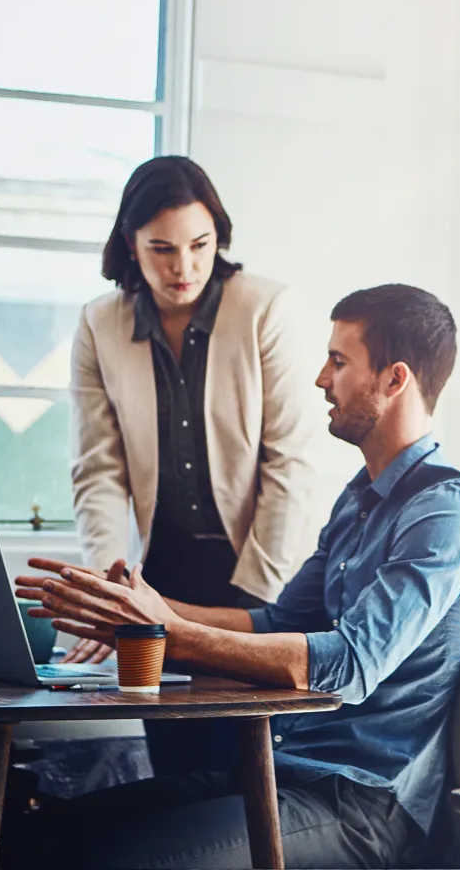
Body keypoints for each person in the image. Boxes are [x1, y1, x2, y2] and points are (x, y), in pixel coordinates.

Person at [16, 284, 460, 870]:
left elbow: (351, 665)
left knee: (118, 859)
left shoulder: (444, 513)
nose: (322, 378)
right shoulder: (359, 500)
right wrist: (135, 603)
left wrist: (166, 632)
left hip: (367, 804)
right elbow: (275, 622)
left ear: (394, 380)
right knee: (54, 833)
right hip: (281, 774)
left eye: (339, 361)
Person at [69, 156, 321, 639]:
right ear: (131, 245)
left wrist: (257, 601)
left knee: (245, 714)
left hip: (255, 561)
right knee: (160, 711)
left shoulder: (265, 310)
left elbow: (290, 462)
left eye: (199, 245)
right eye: (162, 249)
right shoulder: (99, 324)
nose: (183, 267)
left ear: (218, 238)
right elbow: (97, 469)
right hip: (156, 570)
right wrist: (111, 587)